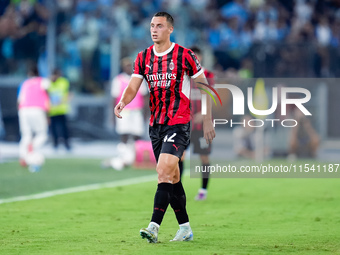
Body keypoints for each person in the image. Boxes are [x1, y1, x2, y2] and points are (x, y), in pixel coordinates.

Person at [114, 12, 215, 243]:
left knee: (163, 170)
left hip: (179, 123)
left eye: (159, 25)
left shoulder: (185, 55)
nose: (154, 29)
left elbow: (205, 87)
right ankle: (185, 228)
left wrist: (207, 118)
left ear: (170, 29)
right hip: (156, 125)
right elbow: (133, 86)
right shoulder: (143, 57)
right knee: (173, 177)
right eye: (151, 25)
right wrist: (122, 101)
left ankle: (153, 227)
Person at [178, 46, 214, 201]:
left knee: (203, 157)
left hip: (202, 126)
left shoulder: (208, 75)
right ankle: (177, 191)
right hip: (184, 124)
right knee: (179, 157)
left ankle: (203, 190)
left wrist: (204, 114)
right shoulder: (183, 75)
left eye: (196, 56)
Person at [108, 57, 147, 170]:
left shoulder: (139, 79)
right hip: (124, 111)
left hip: (136, 111)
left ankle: (134, 158)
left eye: (130, 65)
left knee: (137, 135)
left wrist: (145, 114)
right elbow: (114, 98)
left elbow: (145, 97)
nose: (129, 67)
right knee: (124, 135)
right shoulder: (118, 80)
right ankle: (123, 157)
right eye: (126, 65)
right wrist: (113, 115)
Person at [17, 65, 50, 172]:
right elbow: (47, 96)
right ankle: (32, 149)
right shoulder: (43, 81)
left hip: (23, 110)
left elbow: (19, 100)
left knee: (26, 134)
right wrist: (47, 114)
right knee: (42, 134)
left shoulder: (25, 83)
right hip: (37, 109)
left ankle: (23, 156)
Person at [48, 69, 71, 152]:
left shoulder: (64, 82)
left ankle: (67, 144)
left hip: (62, 109)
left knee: (64, 128)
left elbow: (69, 93)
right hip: (52, 110)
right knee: (53, 129)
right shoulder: (48, 83)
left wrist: (64, 100)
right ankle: (55, 144)